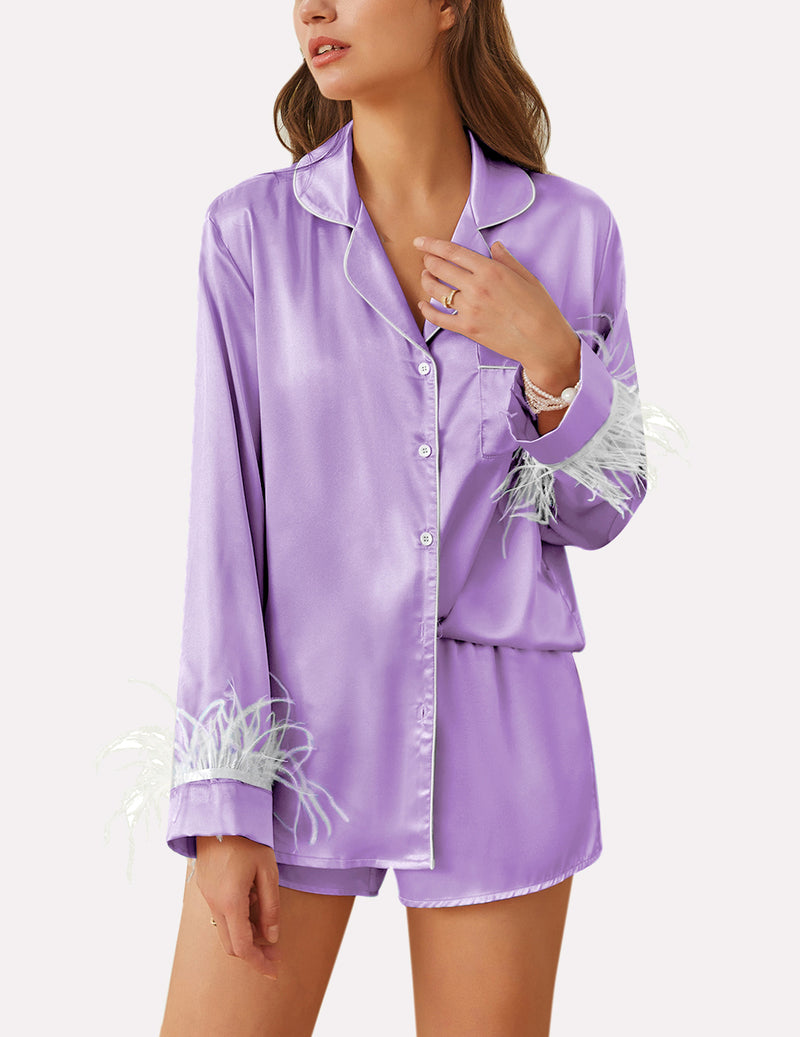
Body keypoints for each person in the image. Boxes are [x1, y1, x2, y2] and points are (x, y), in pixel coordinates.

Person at [159, 1, 649, 1033]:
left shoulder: (571, 231)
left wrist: (551, 359)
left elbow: (600, 509)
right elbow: (222, 532)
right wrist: (222, 798)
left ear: (447, 6)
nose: (313, 8)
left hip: (503, 740)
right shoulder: (250, 235)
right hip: (296, 738)